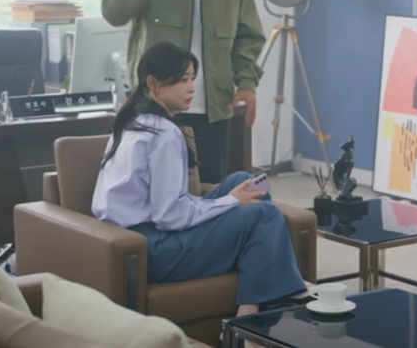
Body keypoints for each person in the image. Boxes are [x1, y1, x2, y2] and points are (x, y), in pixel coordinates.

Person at [91, 41, 305, 316]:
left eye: (193, 78)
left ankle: (259, 288)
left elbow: (166, 208)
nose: (192, 87)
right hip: (153, 249)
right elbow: (169, 216)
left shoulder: (131, 119)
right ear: (154, 83)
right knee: (265, 214)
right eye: (183, 80)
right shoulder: (164, 133)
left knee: (247, 181)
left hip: (133, 240)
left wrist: (230, 199)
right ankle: (249, 314)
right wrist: (230, 201)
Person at [101, 0, 265, 185]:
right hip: (156, 105)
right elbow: (113, 13)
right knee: (159, 190)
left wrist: (247, 82)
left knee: (213, 191)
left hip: (215, 108)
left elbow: (248, 35)